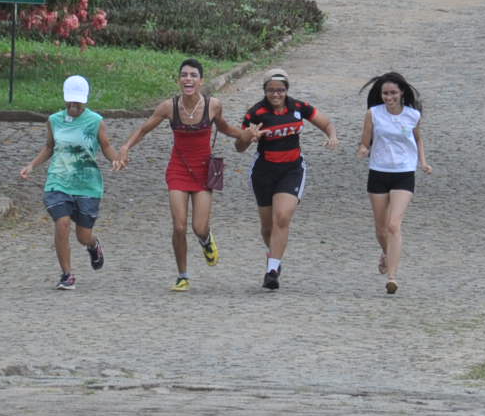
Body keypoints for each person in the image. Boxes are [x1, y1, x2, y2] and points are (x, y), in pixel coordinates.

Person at [115, 58, 257, 291]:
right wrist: (125, 147)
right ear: (179, 80)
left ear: (201, 81)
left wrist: (245, 135)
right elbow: (143, 129)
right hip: (178, 169)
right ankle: (183, 276)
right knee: (179, 226)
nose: (188, 79)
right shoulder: (169, 107)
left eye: (193, 75)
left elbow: (224, 128)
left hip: (203, 170)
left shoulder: (213, 105)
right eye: (184, 75)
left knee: (199, 227)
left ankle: (206, 240)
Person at [236, 68, 339, 290]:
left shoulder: (299, 107)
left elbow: (326, 123)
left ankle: (272, 270)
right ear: (264, 90)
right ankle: (275, 255)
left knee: (282, 217)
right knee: (267, 227)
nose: (276, 94)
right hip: (264, 172)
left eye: (280, 90)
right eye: (271, 90)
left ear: (287, 90)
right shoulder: (256, 113)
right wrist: (248, 137)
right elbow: (240, 146)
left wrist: (332, 136)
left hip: (292, 170)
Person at [19, 75, 120, 290]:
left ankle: (93, 245)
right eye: (71, 100)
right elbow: (49, 147)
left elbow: (106, 146)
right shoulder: (54, 120)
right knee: (62, 223)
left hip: (87, 184)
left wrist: (116, 159)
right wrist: (32, 165)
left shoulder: (95, 121)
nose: (74, 105)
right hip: (59, 181)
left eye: (78, 101)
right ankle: (67, 274)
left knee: (83, 236)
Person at [357, 72, 431, 295]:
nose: (389, 97)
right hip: (378, 172)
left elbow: (417, 139)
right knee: (381, 229)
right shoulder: (373, 114)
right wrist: (363, 150)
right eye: (385, 93)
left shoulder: (412, 115)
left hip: (404, 172)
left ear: (402, 93)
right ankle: (386, 252)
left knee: (393, 225)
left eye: (393, 93)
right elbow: (365, 141)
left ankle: (392, 277)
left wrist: (423, 162)